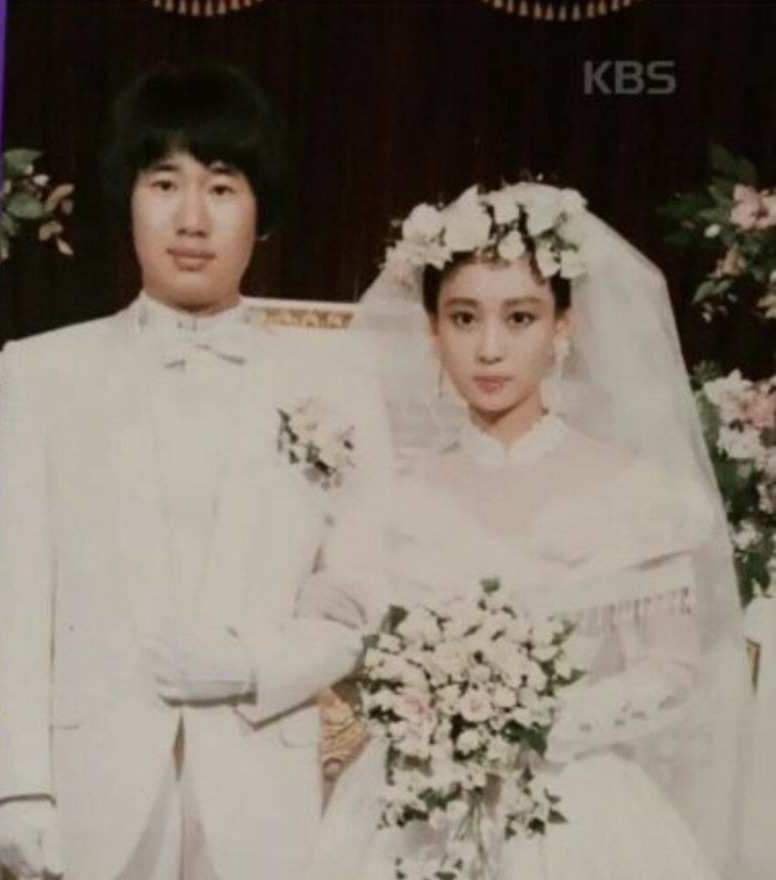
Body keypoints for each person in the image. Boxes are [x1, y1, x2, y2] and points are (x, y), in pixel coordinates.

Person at [0, 61, 392, 880]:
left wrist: (256, 666)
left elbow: (363, 594)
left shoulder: (336, 383)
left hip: (264, 793)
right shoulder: (44, 374)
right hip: (84, 792)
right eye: (165, 184)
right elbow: (15, 600)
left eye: (223, 187)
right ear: (128, 198)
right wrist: (14, 789)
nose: (192, 219)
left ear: (261, 211)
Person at [303, 183, 752, 880]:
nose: (490, 349)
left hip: (576, 803)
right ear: (432, 332)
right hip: (414, 803)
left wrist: (533, 721)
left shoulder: (631, 491)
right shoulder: (395, 494)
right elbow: (352, 648)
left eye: (519, 318)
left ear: (563, 326)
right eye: (463, 318)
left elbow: (671, 672)